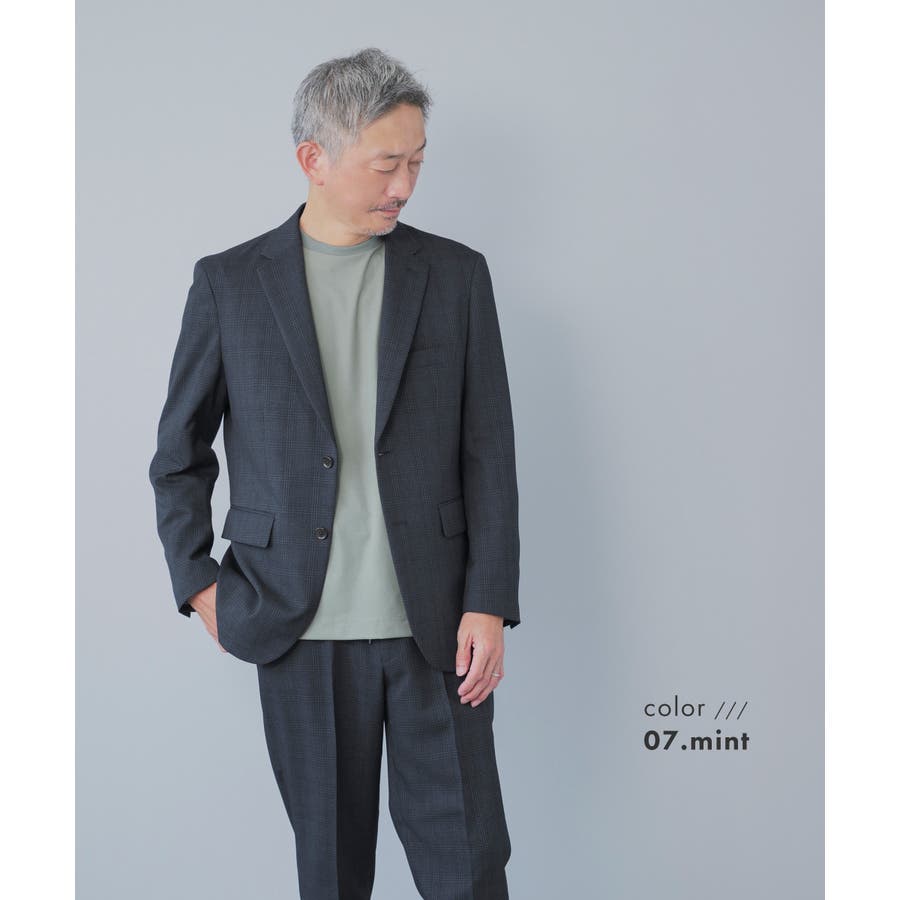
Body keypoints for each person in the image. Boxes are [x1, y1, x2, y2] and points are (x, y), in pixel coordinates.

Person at [148, 47, 521, 900]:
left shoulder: (456, 276)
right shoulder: (230, 285)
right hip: (296, 627)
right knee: (331, 875)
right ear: (313, 158)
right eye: (386, 164)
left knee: (469, 871)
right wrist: (199, 585)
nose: (405, 185)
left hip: (441, 630)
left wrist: (489, 599)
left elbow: (489, 450)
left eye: (417, 161)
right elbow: (177, 455)